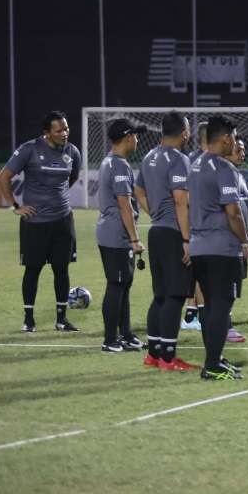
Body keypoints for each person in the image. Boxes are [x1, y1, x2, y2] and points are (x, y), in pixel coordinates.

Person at [0, 110, 82, 333]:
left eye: (66, 128)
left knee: (61, 270)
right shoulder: (30, 149)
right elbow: (4, 176)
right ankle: (29, 319)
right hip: (34, 222)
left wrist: (58, 199)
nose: (65, 133)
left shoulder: (73, 152)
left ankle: (61, 320)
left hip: (63, 221)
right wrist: (16, 207)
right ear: (47, 133)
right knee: (33, 270)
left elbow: (72, 177)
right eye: (59, 130)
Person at [134, 111, 198, 370]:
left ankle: (153, 354)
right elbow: (181, 201)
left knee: (160, 296)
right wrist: (186, 239)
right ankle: (169, 358)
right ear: (184, 132)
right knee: (174, 296)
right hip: (174, 234)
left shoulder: (149, 156)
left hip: (156, 231)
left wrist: (155, 212)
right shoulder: (179, 160)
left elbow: (138, 190)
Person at [188, 115, 248, 379]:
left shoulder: (195, 165)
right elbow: (233, 212)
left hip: (199, 247)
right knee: (221, 307)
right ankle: (212, 365)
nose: (234, 143)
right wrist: (245, 240)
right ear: (225, 138)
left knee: (210, 306)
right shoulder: (225, 169)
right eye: (233, 138)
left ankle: (215, 359)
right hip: (221, 248)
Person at [96, 118, 149, 353]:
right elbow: (124, 204)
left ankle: (126, 335)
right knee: (116, 284)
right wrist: (135, 239)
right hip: (116, 234)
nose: (137, 140)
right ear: (128, 137)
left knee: (124, 284)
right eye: (136, 136)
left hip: (113, 232)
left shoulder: (110, 161)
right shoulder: (119, 165)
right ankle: (110, 340)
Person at [225, 138, 248, 344]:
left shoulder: (238, 175)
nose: (242, 153)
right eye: (238, 149)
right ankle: (224, 326)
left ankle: (223, 323)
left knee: (235, 285)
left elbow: (243, 212)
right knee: (227, 287)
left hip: (241, 239)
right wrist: (243, 241)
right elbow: (231, 213)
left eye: (243, 150)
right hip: (229, 242)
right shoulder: (225, 174)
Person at [182, 119, 209, 331]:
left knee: (196, 270)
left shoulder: (189, 160)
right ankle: (199, 314)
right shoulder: (205, 163)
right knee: (202, 270)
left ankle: (192, 312)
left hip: (190, 223)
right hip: (199, 224)